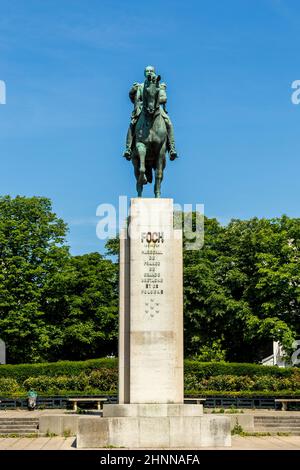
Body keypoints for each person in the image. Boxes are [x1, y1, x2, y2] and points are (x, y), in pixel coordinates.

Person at [123, 65, 178, 160]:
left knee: (168, 123)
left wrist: (153, 101)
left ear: (154, 72)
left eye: (151, 71)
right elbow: (133, 99)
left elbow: (164, 98)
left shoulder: (160, 85)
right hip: (142, 109)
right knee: (132, 124)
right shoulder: (140, 86)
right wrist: (132, 92)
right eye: (147, 71)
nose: (149, 72)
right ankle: (128, 149)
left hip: (156, 108)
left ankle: (172, 148)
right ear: (144, 73)